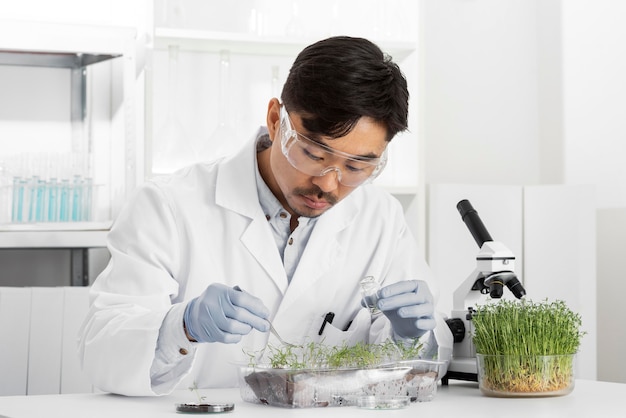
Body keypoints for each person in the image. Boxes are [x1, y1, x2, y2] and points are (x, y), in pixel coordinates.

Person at [78, 36, 453, 396]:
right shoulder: (168, 206)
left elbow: (415, 370)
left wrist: (412, 336)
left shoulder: (381, 219)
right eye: (315, 154)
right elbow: (101, 351)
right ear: (276, 120)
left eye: (357, 166)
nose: (329, 184)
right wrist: (184, 326)